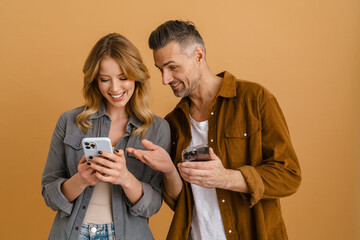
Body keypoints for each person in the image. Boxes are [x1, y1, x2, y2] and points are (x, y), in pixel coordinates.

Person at [126, 20, 301, 240]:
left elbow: (289, 175)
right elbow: (181, 202)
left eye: (172, 67)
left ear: (198, 56)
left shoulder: (255, 100)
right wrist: (169, 170)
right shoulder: (173, 123)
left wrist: (226, 178)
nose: (165, 79)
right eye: (161, 70)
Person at [41, 33, 171, 240]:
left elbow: (153, 205)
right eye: (105, 79)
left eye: (123, 78)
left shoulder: (157, 129)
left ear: (136, 77)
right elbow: (50, 196)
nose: (115, 88)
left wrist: (125, 178)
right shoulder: (69, 121)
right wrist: (80, 180)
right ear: (95, 80)